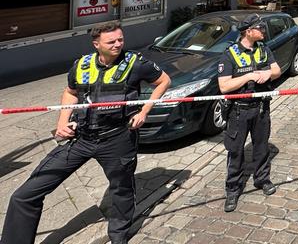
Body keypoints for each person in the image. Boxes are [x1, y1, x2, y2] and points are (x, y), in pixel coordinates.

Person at [1, 22, 171, 244]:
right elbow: (71, 92)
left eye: (120, 39)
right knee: (25, 195)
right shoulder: (81, 64)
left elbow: (164, 80)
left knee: (121, 190)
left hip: (117, 138)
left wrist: (144, 111)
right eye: (111, 41)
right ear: (96, 44)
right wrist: (62, 121)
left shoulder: (136, 63)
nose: (118, 44)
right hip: (81, 138)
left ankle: (118, 236)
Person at [217, 14, 281, 212]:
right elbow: (224, 86)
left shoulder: (264, 49)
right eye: (259, 28)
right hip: (239, 111)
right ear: (248, 31)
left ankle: (262, 179)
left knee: (261, 148)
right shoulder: (230, 54)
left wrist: (268, 73)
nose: (263, 30)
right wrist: (249, 76)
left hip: (261, 108)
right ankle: (233, 189)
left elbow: (277, 70)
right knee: (235, 151)